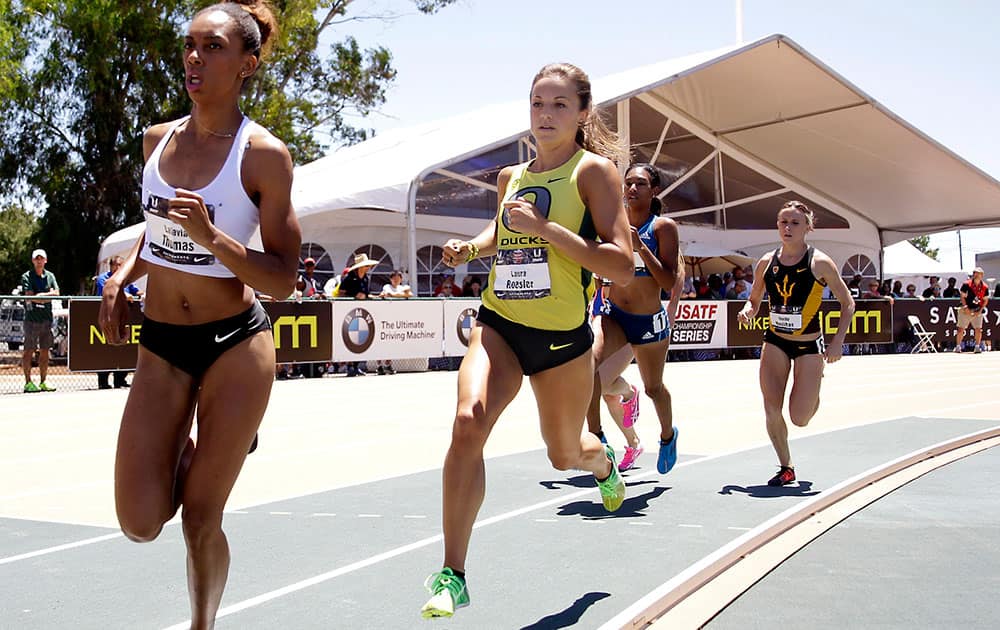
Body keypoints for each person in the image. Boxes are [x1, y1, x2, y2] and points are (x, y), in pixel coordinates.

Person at [97, 3, 300, 627]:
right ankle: (217, 446)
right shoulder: (156, 140)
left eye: (212, 47)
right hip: (161, 342)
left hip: (234, 346)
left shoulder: (264, 156)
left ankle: (202, 623)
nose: (193, 58)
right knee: (138, 522)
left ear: (247, 64)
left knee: (199, 517)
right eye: (189, 45)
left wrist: (215, 240)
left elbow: (285, 280)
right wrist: (123, 273)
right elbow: (158, 233)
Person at [421, 62, 634, 619]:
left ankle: (602, 463)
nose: (546, 115)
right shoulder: (510, 178)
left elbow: (622, 263)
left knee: (565, 454)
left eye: (560, 105)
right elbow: (503, 230)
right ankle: (454, 573)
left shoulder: (595, 174)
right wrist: (470, 248)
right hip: (500, 325)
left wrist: (547, 231)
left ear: (583, 113)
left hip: (562, 340)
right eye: (538, 104)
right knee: (467, 421)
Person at [738, 200, 854, 487]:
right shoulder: (766, 261)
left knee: (799, 417)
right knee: (771, 409)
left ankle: (813, 390)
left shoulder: (820, 262)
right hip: (775, 341)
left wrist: (837, 342)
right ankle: (785, 466)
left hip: (808, 345)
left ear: (807, 228)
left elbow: (847, 302)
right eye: (783, 222)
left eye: (794, 223)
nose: (787, 228)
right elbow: (754, 299)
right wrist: (748, 311)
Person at [586, 162, 682, 478]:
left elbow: (668, 280)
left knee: (654, 388)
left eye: (640, 183)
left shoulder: (662, 228)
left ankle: (668, 436)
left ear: (654, 190)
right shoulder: (614, 223)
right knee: (588, 374)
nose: (631, 189)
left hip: (647, 321)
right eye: (628, 182)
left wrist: (640, 247)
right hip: (614, 315)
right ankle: (598, 440)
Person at [96, 255, 143, 389]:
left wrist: (143, 295)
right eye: (116, 265)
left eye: (121, 265)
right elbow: (107, 293)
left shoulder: (126, 280)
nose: (119, 268)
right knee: (106, 349)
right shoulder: (103, 279)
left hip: (124, 318)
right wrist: (123, 295)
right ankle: (103, 381)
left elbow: (136, 291)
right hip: (108, 319)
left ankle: (120, 379)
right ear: (111, 266)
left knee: (124, 349)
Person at [20, 248, 60, 393]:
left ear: (45, 260)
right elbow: (30, 296)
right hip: (31, 320)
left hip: (46, 319)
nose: (39, 261)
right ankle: (28, 382)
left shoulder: (50, 276)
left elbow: (56, 293)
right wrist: (44, 297)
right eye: (36, 258)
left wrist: (41, 295)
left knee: (45, 351)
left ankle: (43, 381)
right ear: (33, 261)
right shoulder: (27, 276)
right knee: (28, 350)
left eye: (41, 258)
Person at [339, 253, 379, 376]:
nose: (368, 268)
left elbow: (366, 293)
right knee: (350, 337)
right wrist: (353, 297)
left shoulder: (366, 278)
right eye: (366, 266)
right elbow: (341, 293)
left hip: (362, 311)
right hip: (349, 312)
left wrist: (373, 297)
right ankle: (349, 366)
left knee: (360, 338)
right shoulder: (349, 278)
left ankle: (356, 365)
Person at [376, 269, 412, 374]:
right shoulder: (387, 286)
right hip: (384, 317)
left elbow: (409, 294)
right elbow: (387, 293)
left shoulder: (403, 287)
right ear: (391, 279)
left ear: (401, 279)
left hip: (397, 318)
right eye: (394, 278)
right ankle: (379, 365)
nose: (396, 280)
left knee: (392, 342)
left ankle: (388, 364)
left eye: (398, 278)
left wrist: (395, 295)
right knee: (381, 341)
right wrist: (401, 295)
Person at [954, 267, 989, 353]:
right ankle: (958, 346)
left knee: (978, 329)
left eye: (979, 274)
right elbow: (962, 296)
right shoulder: (967, 284)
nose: (977, 275)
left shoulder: (984, 287)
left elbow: (985, 300)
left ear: (982, 275)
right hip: (965, 309)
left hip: (977, 309)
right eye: (975, 273)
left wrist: (980, 311)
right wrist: (965, 307)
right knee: (960, 328)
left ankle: (977, 346)